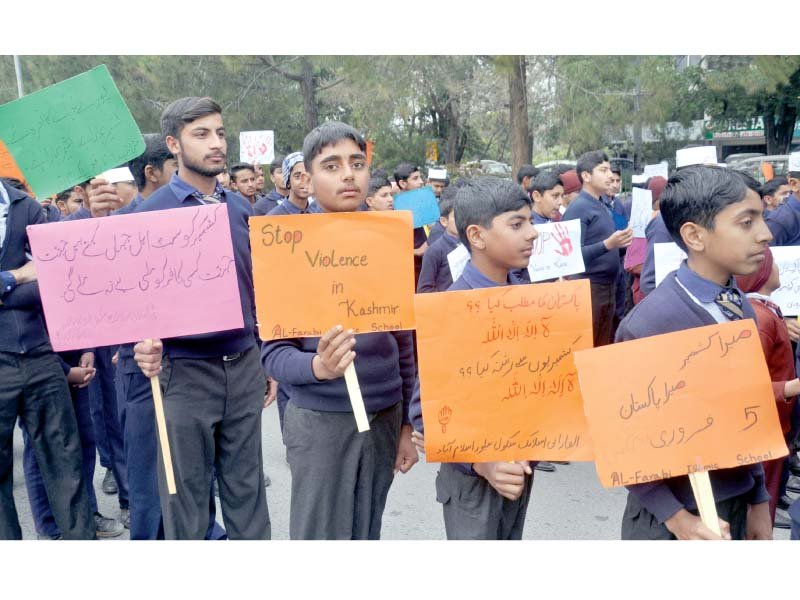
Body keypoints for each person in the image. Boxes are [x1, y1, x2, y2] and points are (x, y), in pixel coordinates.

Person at [261, 121, 418, 539]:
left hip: (384, 415)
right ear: (307, 181)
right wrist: (318, 366)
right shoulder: (285, 243)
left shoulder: (387, 237)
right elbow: (273, 353)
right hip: (321, 419)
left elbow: (404, 339)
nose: (348, 174)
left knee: (367, 529)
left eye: (357, 163)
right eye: (332, 166)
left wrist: (404, 424)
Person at [131, 96, 271, 540]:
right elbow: (131, 300)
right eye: (202, 134)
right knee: (186, 500)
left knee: (248, 494)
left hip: (244, 366)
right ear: (173, 143)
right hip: (184, 375)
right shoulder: (149, 216)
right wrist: (141, 344)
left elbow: (258, 291)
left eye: (221, 133)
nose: (216, 144)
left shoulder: (242, 210)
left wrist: (264, 353)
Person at [616, 165, 773, 540]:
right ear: (694, 235)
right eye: (746, 223)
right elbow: (625, 446)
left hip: (734, 502)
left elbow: (747, 415)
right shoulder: (648, 325)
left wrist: (758, 501)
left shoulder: (739, 306)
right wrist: (678, 521)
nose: (765, 235)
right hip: (672, 521)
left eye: (762, 219)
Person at [86, 135, 226, 540]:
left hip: (197, 370)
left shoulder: (199, 216)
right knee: (152, 486)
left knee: (197, 480)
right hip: (146, 373)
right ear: (152, 173)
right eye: (174, 168)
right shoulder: (120, 224)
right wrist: (95, 223)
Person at [409, 177, 537, 539]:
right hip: (471, 482)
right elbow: (424, 414)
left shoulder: (532, 303)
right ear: (477, 236)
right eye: (517, 224)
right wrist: (482, 464)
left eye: (530, 222)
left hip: (520, 471)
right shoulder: (449, 309)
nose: (533, 233)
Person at [0, 178, 96, 540]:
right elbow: (34, 277)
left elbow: (57, 279)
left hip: (41, 356)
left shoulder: (27, 206)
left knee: (65, 464)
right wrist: (16, 276)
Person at [735, 246, 799, 525]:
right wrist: (793, 387)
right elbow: (748, 386)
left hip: (775, 423)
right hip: (765, 425)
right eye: (772, 264)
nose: (779, 269)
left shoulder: (766, 310)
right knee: (761, 505)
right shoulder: (760, 318)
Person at [562, 151, 633, 347]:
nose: (610, 175)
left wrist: (621, 245)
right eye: (603, 170)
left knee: (603, 343)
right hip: (590, 290)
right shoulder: (579, 208)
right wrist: (608, 245)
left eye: (610, 170)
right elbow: (570, 257)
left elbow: (608, 247)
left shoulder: (602, 204)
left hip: (609, 288)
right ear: (586, 176)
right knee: (589, 345)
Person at [416, 187, 459, 293]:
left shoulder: (471, 246)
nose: (463, 220)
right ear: (444, 221)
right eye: (457, 216)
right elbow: (424, 289)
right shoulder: (434, 251)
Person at [394, 162, 428, 281]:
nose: (421, 182)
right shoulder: (396, 209)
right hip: (408, 268)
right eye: (415, 178)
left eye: (420, 177)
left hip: (423, 264)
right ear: (403, 183)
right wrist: (416, 251)